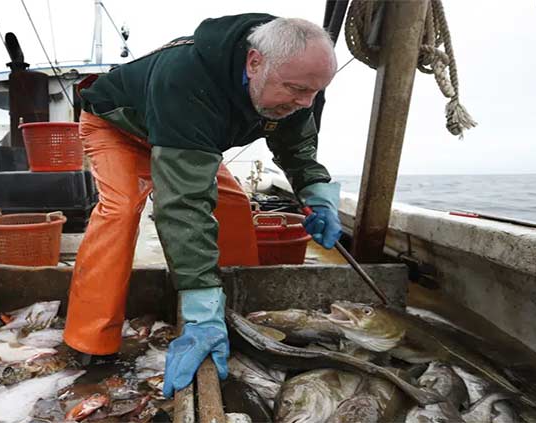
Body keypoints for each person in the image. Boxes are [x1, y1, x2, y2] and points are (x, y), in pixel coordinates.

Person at [63, 13, 343, 398]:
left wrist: (316, 190)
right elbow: (183, 205)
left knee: (233, 206)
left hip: (188, 138)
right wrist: (198, 307)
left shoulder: (297, 85)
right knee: (122, 210)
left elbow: (296, 146)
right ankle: (89, 340)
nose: (305, 103)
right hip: (120, 130)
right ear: (254, 63)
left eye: (314, 93)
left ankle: (238, 313)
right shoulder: (188, 77)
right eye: (296, 90)